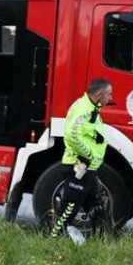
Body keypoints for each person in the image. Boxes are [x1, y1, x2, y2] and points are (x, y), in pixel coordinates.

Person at [49, 78, 114, 238]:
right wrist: (89, 155)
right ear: (99, 94)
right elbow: (72, 135)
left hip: (89, 168)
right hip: (79, 166)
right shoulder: (82, 108)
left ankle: (103, 241)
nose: (110, 98)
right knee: (69, 207)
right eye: (109, 94)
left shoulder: (92, 109)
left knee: (97, 206)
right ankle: (52, 241)